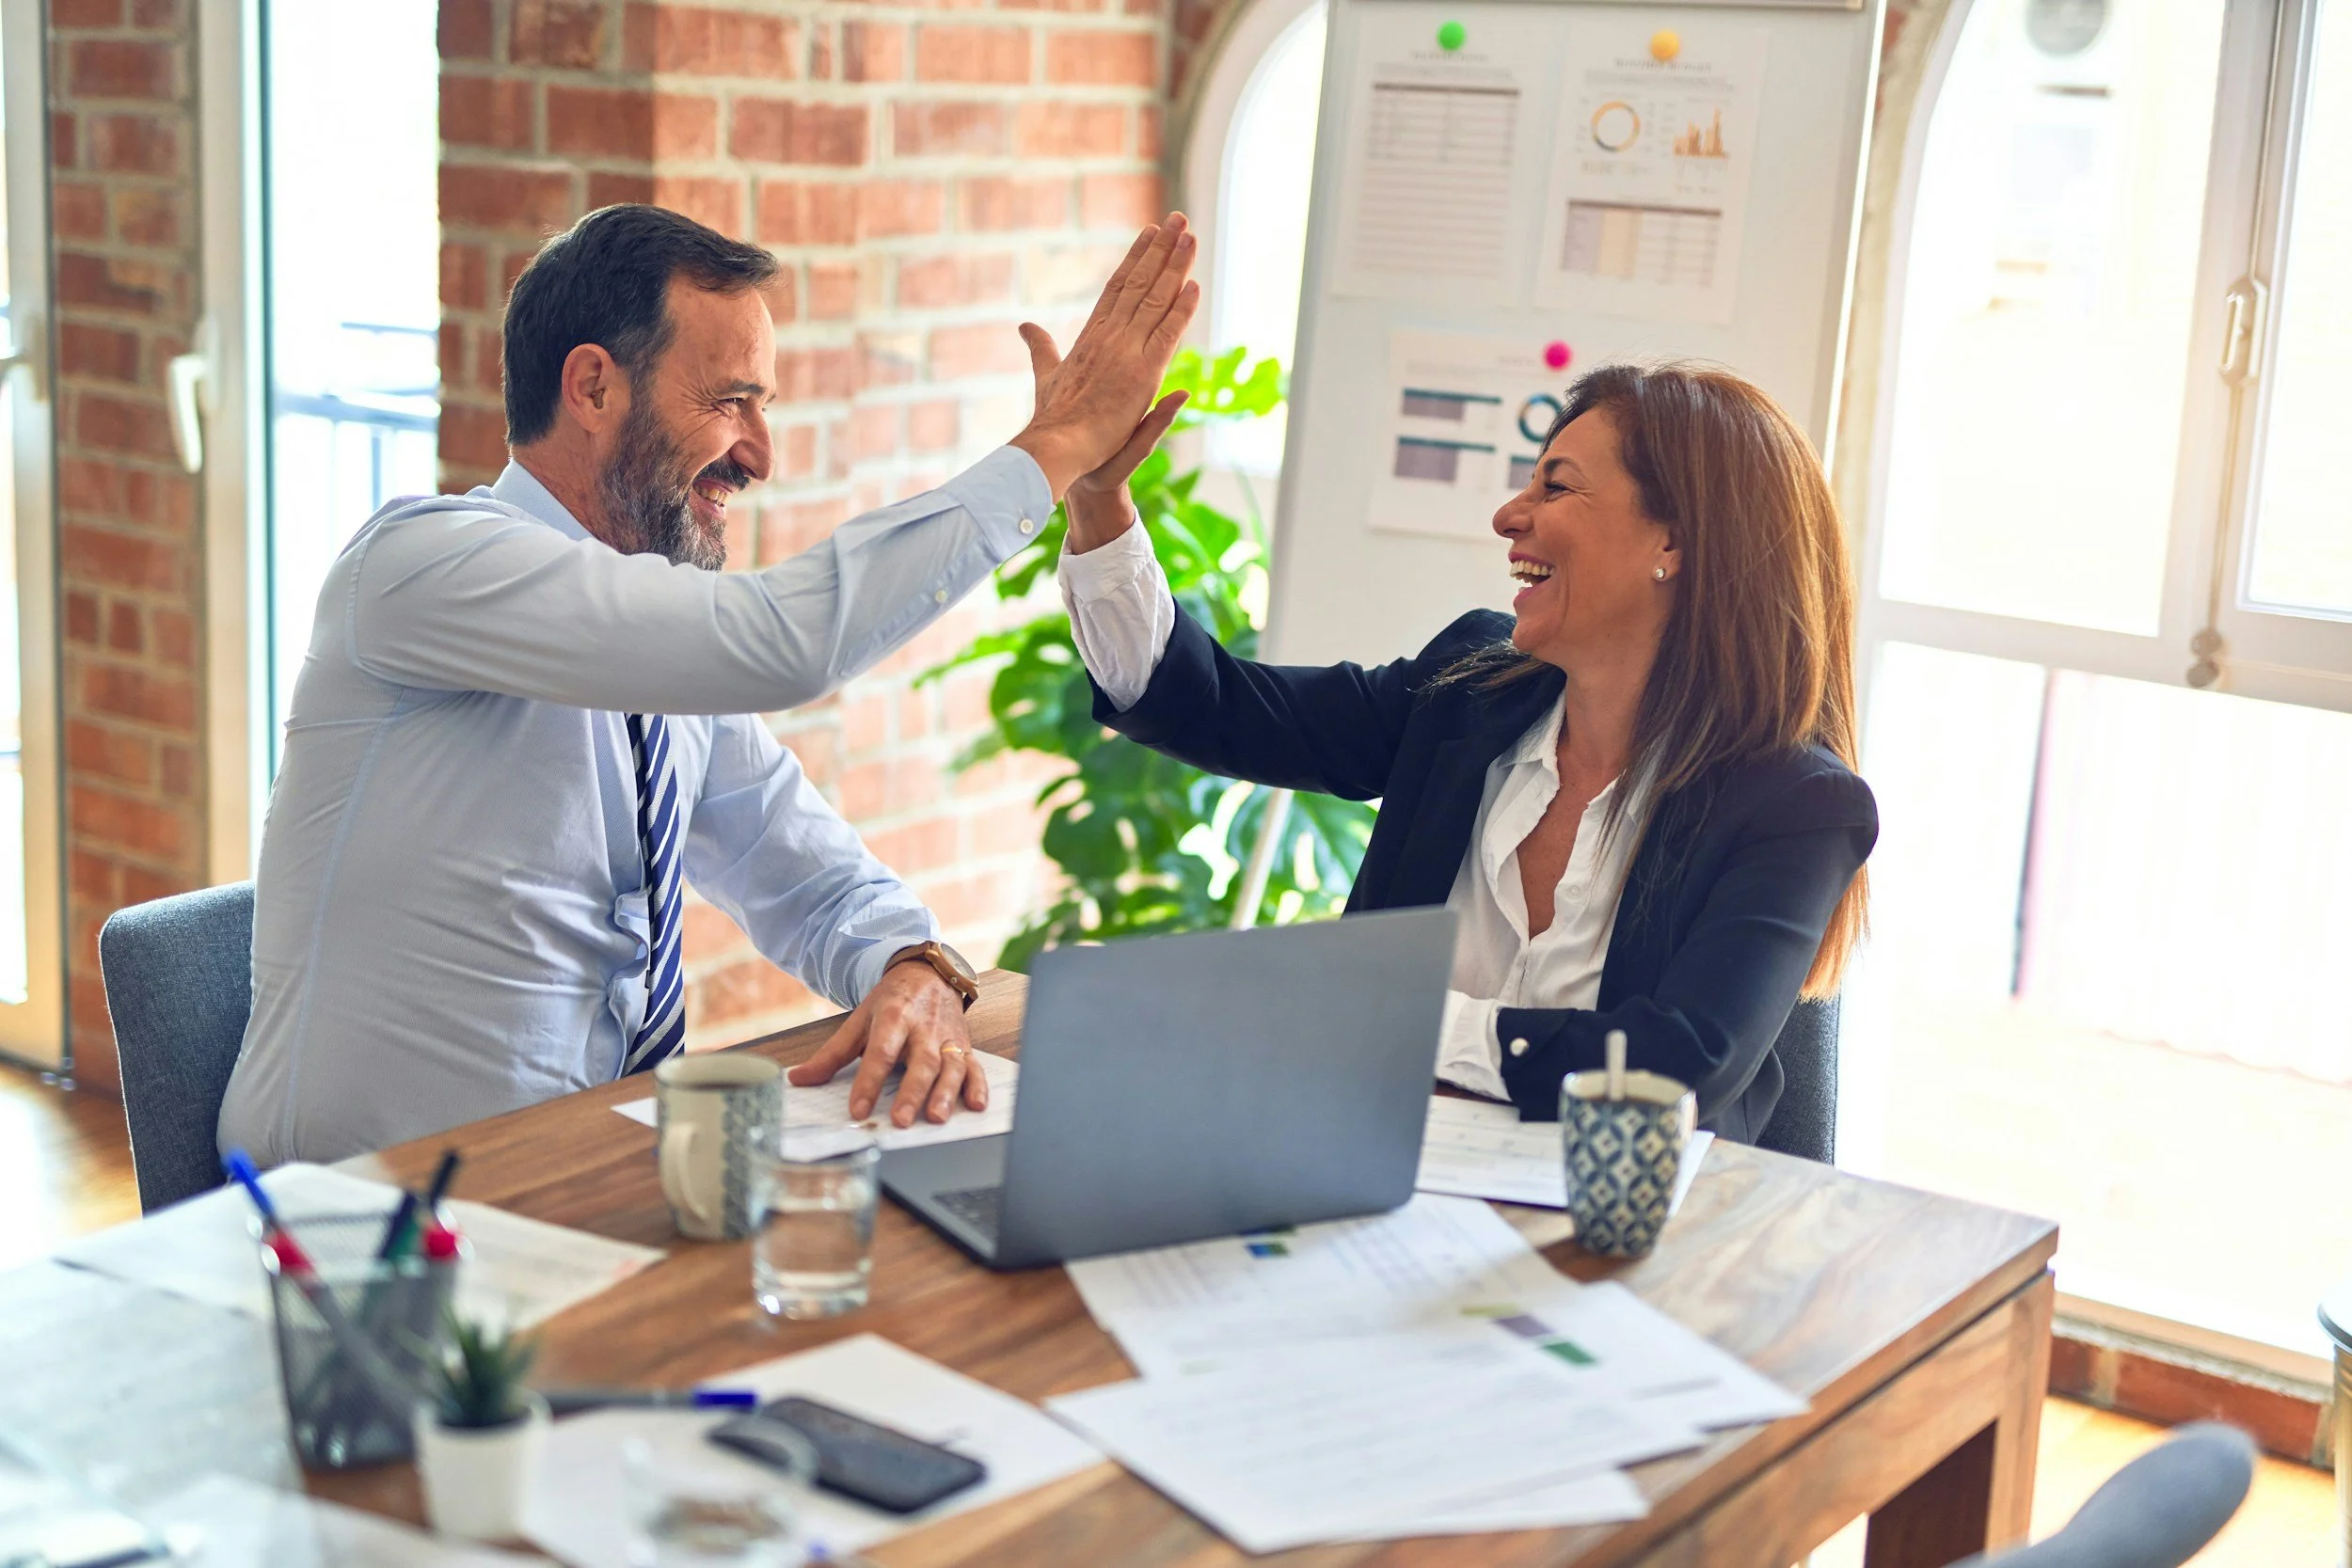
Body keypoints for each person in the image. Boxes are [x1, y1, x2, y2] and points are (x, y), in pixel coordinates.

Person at [218, 203, 1199, 1164]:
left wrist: (913, 964)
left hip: (582, 1184)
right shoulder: (422, 566)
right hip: (357, 1224)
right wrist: (1056, 446)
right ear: (594, 389)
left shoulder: (659, 659)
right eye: (731, 400)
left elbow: (806, 872)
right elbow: (783, 642)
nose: (760, 454)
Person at [1056, 362, 1875, 1141]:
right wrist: (1099, 500)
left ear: (1674, 543)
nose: (1509, 515)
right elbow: (1214, 706)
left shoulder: (1795, 805)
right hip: (1374, 1181)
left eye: (1555, 485)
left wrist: (1394, 1018)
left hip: (1626, 1245)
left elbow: (1674, 1068)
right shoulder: (1469, 692)